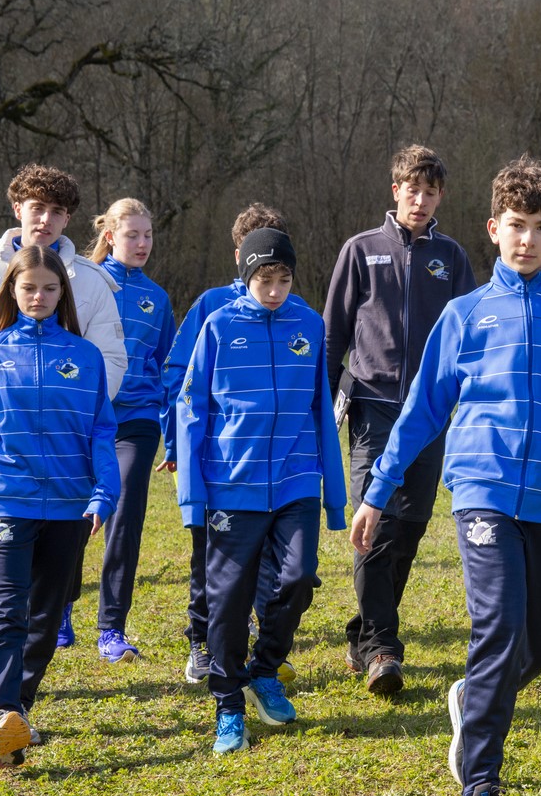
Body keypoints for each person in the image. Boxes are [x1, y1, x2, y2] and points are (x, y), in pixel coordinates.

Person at [350, 155, 541, 796]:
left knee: (539, 639)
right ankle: (481, 778)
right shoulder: (465, 315)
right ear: (493, 229)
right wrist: (378, 492)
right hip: (483, 493)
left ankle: (474, 698)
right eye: (516, 225)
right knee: (498, 626)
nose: (527, 239)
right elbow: (421, 413)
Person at [0, 163, 126, 709]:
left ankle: (11, 694)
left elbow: (109, 358)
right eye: (37, 208)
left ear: (68, 219)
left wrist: (67, 409)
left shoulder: (90, 281)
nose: (45, 219)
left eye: (57, 211)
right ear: (18, 209)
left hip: (61, 454)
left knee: (43, 591)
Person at [177, 228, 346, 754]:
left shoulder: (310, 324)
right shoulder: (219, 325)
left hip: (296, 478)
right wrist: (192, 495)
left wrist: (335, 495)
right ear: (246, 276)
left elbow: (321, 408)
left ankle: (265, 670)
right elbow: (191, 408)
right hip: (232, 483)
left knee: (298, 578)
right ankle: (228, 704)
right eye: (263, 279)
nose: (274, 290)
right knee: (228, 602)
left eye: (284, 279)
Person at [325, 144, 476, 695]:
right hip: (372, 406)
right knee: (375, 524)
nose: (420, 200)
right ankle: (383, 648)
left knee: (408, 529)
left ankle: (363, 633)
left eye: (430, 192)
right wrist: (321, 406)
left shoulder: (452, 258)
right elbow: (334, 334)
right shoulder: (361, 250)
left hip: (430, 413)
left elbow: (471, 338)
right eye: (412, 190)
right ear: (396, 191)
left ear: (440, 197)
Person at [160, 202, 295, 685]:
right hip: (220, 461)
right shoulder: (212, 306)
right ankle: (201, 640)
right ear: (239, 253)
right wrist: (176, 442)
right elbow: (180, 375)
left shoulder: (295, 312)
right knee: (210, 552)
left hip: (276, 466)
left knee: (271, 560)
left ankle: (258, 647)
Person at [57, 198, 175, 662]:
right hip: (83, 418)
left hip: (136, 421)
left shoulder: (158, 298)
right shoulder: (80, 282)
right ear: (110, 236)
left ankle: (112, 629)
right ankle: (60, 611)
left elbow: (168, 368)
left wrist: (171, 432)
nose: (143, 244)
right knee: (73, 514)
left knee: (124, 519)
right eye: (132, 235)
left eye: (148, 235)